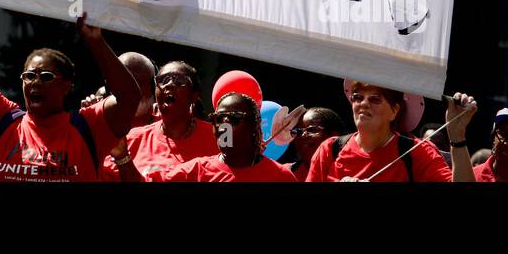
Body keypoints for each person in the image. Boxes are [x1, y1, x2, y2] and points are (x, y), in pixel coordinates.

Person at [0, 0, 140, 182]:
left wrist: (95, 41)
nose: (36, 82)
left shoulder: (88, 129)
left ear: (67, 86)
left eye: (46, 76)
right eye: (29, 76)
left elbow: (129, 97)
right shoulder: (2, 122)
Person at [305, 80, 476, 182]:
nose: (363, 104)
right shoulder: (329, 149)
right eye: (357, 97)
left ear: (395, 111)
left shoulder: (417, 152)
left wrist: (457, 134)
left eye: (375, 99)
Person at [127, 92, 298, 181]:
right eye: (218, 119)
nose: (224, 126)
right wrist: (122, 156)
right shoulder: (197, 171)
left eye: (234, 118)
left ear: (254, 127)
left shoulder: (280, 177)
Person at [105, 60, 219, 181]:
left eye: (179, 80)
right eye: (162, 80)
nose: (169, 84)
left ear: (194, 96)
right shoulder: (130, 141)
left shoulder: (217, 138)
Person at [286, 107, 345, 180]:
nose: (303, 135)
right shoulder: (285, 172)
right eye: (298, 132)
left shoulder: (350, 169)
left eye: (312, 129)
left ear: (334, 135)